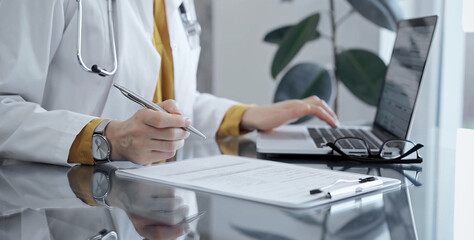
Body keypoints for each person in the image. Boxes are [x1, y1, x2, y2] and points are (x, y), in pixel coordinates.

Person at [0, 0, 339, 166]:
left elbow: (169, 104)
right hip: (60, 205)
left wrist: (245, 115)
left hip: (158, 200)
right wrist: (107, 138)